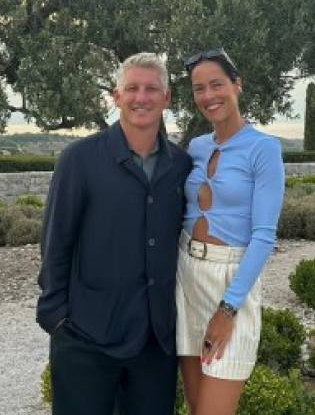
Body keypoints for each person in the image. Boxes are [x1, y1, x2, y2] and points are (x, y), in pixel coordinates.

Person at [36, 52, 192, 415]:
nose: (142, 97)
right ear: (116, 96)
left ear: (167, 98)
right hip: (86, 336)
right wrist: (57, 318)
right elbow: (56, 241)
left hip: (155, 343)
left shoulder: (181, 166)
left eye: (152, 89)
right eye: (132, 88)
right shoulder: (79, 160)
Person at [175, 48, 285, 415]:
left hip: (230, 281)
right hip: (185, 275)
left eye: (217, 84)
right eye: (199, 89)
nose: (208, 95)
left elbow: (264, 236)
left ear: (237, 85)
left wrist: (228, 309)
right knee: (196, 407)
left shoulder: (263, 149)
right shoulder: (197, 147)